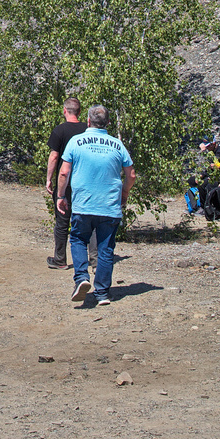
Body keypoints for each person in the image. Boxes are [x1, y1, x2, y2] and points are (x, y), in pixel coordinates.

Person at [56, 105, 135, 305]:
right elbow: (131, 174)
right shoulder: (117, 145)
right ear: (108, 123)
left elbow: (64, 172)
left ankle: (81, 277)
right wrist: (124, 192)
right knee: (106, 248)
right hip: (109, 205)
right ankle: (102, 293)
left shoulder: (76, 142)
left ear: (88, 122)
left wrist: (60, 196)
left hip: (84, 203)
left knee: (78, 239)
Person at [45, 97, 87, 269]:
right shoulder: (88, 130)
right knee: (86, 219)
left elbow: (54, 156)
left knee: (62, 220)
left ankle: (60, 259)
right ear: (80, 111)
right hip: (85, 181)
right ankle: (93, 259)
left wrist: (49, 179)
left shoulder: (59, 131)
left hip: (66, 182)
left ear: (64, 111)